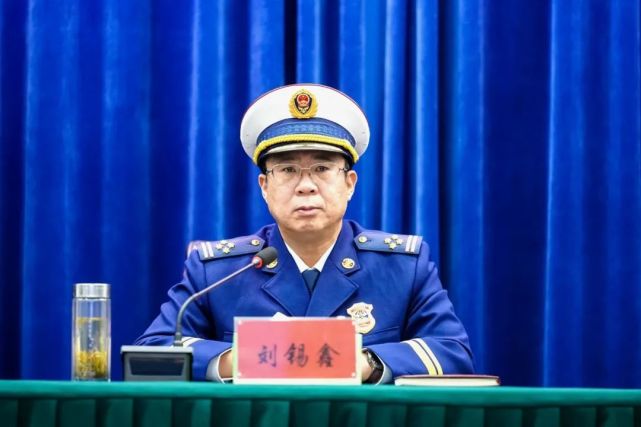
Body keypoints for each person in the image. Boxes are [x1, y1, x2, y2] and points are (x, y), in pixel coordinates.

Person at [135, 83, 474, 383]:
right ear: (265, 186)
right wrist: (237, 359)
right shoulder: (217, 271)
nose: (306, 185)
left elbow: (452, 352)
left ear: (349, 183)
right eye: (287, 169)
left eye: (323, 168)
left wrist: (367, 363)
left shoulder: (402, 267)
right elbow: (151, 354)